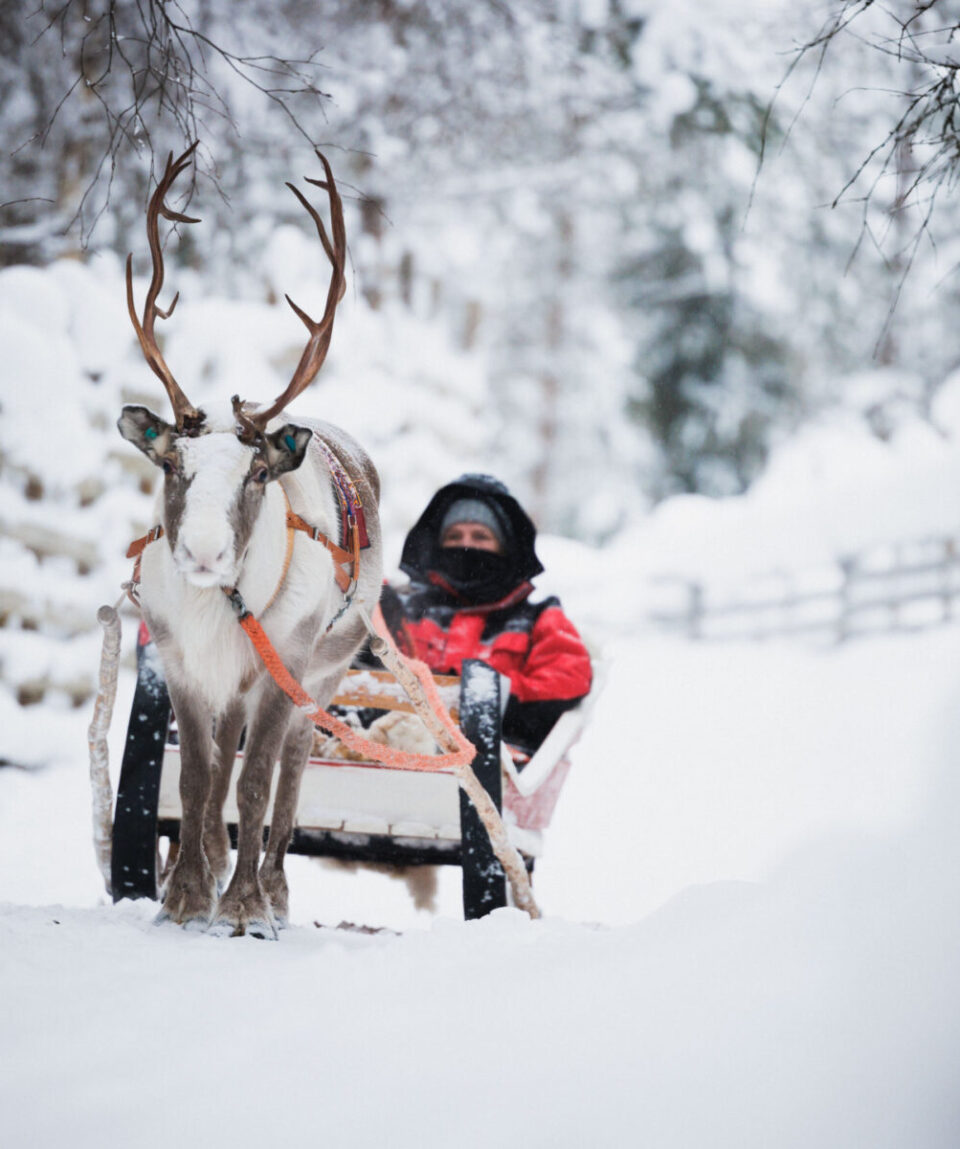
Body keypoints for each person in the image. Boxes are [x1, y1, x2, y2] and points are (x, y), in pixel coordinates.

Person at [378, 473, 592, 759]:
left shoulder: (539, 619)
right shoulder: (399, 610)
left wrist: (479, 693)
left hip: (495, 768)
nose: (466, 546)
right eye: (454, 537)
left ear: (505, 547)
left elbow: (566, 680)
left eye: (481, 536)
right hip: (387, 755)